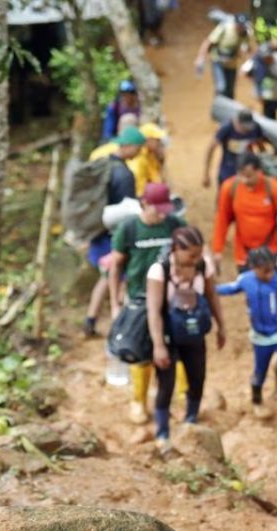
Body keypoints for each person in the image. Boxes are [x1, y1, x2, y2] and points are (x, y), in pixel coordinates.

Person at [108, 182, 187, 424]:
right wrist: (115, 304)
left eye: (165, 210)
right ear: (144, 204)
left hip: (171, 298)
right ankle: (139, 401)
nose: (162, 214)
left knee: (177, 348)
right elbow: (115, 266)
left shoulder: (174, 225)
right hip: (139, 299)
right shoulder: (129, 228)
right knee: (140, 350)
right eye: (157, 210)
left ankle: (182, 399)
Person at [146, 227, 227, 454]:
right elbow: (153, 311)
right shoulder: (159, 270)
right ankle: (162, 433)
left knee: (197, 378)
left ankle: (191, 421)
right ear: (176, 249)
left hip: (194, 332)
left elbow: (212, 295)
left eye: (199, 254)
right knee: (167, 384)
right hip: (168, 336)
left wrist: (221, 326)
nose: (196, 259)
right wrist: (158, 346)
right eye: (191, 255)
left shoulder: (203, 266)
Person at [217, 247, 277, 418]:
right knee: (259, 372)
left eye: (271, 269)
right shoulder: (246, 280)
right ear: (254, 268)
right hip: (260, 338)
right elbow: (230, 288)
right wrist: (209, 289)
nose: (270, 274)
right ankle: (257, 402)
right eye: (265, 271)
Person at [85, 127, 145, 337]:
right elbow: (126, 210)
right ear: (128, 146)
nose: (139, 152)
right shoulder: (124, 175)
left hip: (98, 230)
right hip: (114, 236)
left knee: (106, 276)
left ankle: (90, 320)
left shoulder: (104, 165)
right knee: (118, 277)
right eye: (138, 148)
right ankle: (120, 324)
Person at [212, 153, 277, 276]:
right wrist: (217, 250)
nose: (244, 180)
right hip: (244, 253)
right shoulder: (230, 188)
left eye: (249, 176)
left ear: (259, 171)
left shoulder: (274, 189)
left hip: (272, 251)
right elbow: (222, 219)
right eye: (241, 175)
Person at [90, 122, 169, 195]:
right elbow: (135, 179)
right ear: (149, 139)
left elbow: (155, 177)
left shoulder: (148, 154)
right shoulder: (137, 157)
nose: (159, 144)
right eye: (158, 141)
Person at [203, 110, 268, 191]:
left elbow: (260, 144)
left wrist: (266, 161)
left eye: (249, 127)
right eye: (244, 127)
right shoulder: (226, 128)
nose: (247, 130)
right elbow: (211, 148)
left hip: (247, 169)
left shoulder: (255, 127)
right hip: (229, 169)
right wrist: (206, 174)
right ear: (237, 123)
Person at [195, 13, 251, 99]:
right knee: (221, 88)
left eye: (243, 26)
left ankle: (229, 106)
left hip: (232, 64)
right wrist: (200, 58)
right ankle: (218, 105)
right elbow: (208, 42)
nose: (241, 28)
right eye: (239, 25)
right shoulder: (225, 28)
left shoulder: (245, 34)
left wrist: (247, 63)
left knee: (230, 92)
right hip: (218, 62)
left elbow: (246, 49)